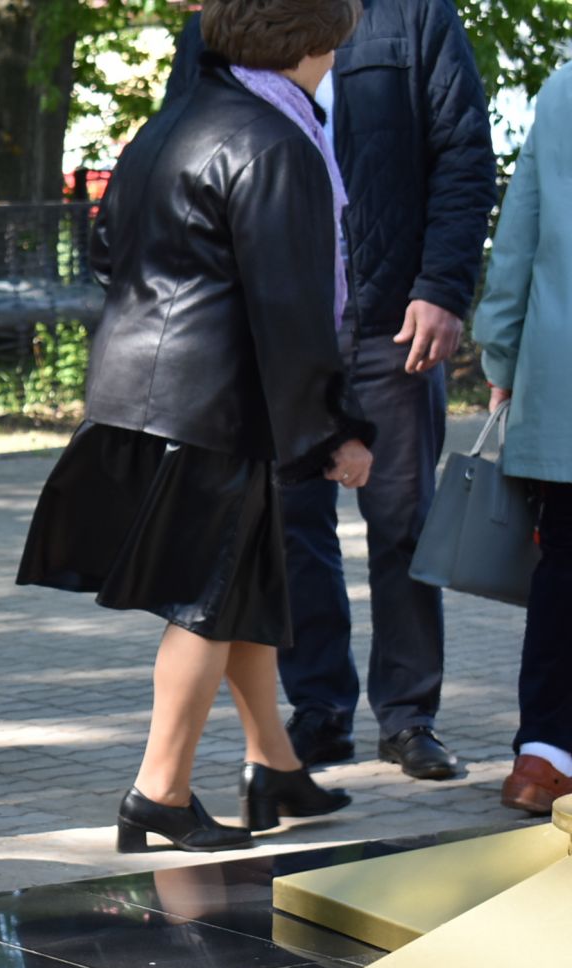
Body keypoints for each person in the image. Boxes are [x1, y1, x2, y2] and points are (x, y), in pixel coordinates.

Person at [18, 0, 376, 852]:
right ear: (316, 39)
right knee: (208, 602)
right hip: (216, 401)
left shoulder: (175, 119)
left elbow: (108, 251)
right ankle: (159, 792)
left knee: (245, 587)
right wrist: (335, 425)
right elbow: (289, 306)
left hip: (150, 386)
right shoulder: (277, 139)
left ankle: (273, 765)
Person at [166, 0, 497, 782]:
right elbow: (191, 146)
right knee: (289, 528)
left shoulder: (419, 16)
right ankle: (319, 709)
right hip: (279, 323)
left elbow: (463, 157)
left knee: (404, 524)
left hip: (395, 325)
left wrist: (444, 289)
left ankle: (409, 716)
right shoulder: (228, 18)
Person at [472, 61, 572, 816]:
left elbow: (521, 239)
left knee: (565, 568)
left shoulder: (566, 87)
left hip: (565, 381)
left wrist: (500, 355)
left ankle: (542, 758)